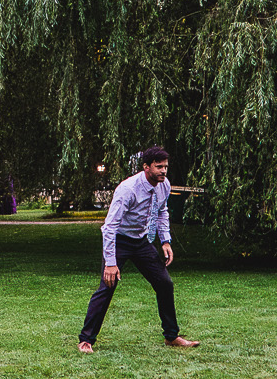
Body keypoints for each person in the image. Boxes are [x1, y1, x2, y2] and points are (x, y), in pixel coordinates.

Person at [77, 147, 198, 353]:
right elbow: (109, 227)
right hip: (119, 240)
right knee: (107, 287)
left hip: (141, 242)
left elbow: (162, 212)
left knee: (165, 283)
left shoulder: (163, 185)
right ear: (146, 167)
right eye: (158, 167)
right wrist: (111, 263)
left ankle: (171, 336)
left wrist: (165, 241)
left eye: (166, 167)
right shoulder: (128, 189)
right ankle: (86, 340)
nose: (163, 171)